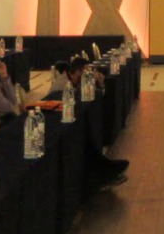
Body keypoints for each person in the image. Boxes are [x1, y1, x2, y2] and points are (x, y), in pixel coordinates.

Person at [49, 59, 128, 189]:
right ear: (78, 72)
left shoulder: (77, 81)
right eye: (86, 71)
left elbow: (92, 98)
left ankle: (106, 172)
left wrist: (100, 84)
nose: (89, 74)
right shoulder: (62, 86)